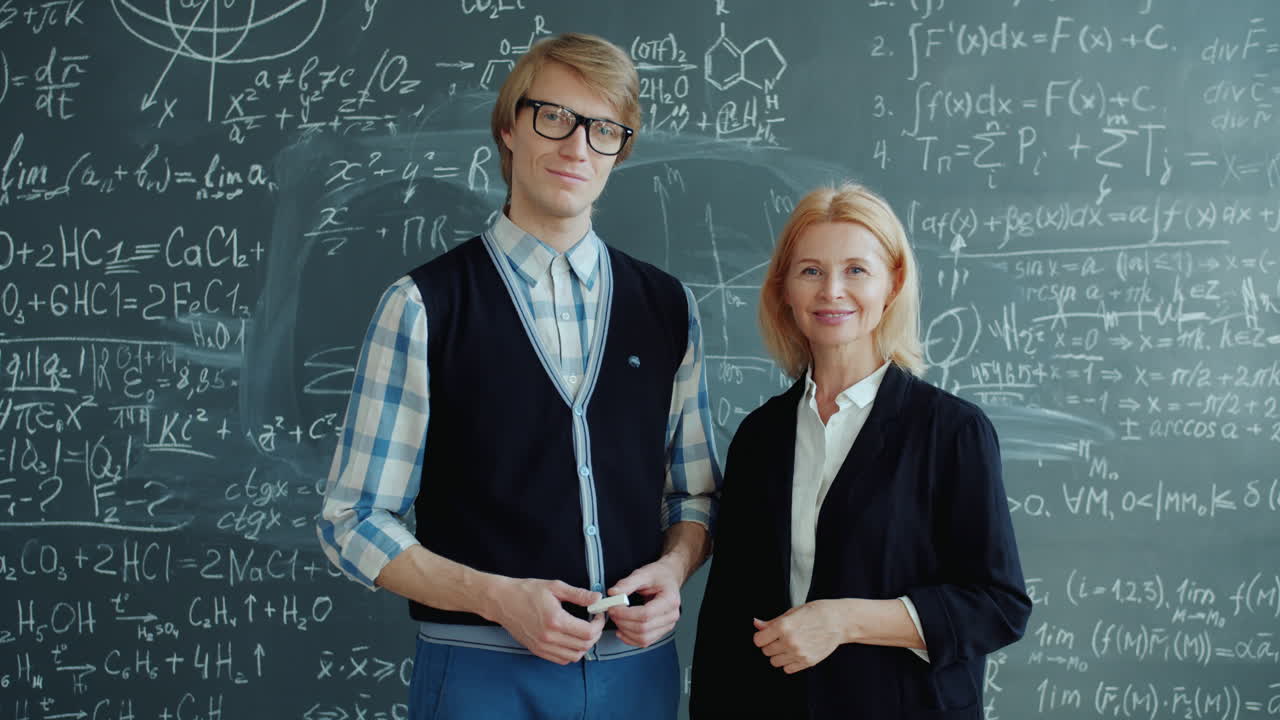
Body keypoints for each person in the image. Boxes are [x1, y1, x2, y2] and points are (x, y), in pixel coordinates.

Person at [317, 33, 721, 720]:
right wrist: (496, 597)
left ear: (621, 148)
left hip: (639, 677)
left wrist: (675, 569)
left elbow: (696, 493)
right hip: (482, 677)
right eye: (553, 117)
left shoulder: (666, 308)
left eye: (603, 129)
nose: (576, 147)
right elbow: (351, 520)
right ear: (508, 127)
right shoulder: (423, 307)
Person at [690, 183, 1030, 719]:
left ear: (892, 284)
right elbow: (725, 621)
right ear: (784, 289)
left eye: (856, 270)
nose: (832, 291)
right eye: (810, 271)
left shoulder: (952, 432)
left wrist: (842, 620)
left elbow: (998, 607)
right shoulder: (759, 437)